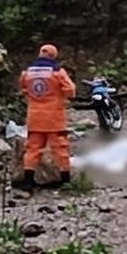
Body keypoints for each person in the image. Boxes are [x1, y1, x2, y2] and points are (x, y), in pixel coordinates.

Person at [17, 44, 76, 191]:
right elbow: (70, 91)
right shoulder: (57, 72)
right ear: (53, 55)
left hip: (34, 118)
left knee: (32, 149)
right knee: (60, 149)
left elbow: (24, 90)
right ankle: (66, 181)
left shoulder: (27, 73)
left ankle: (28, 182)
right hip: (54, 118)